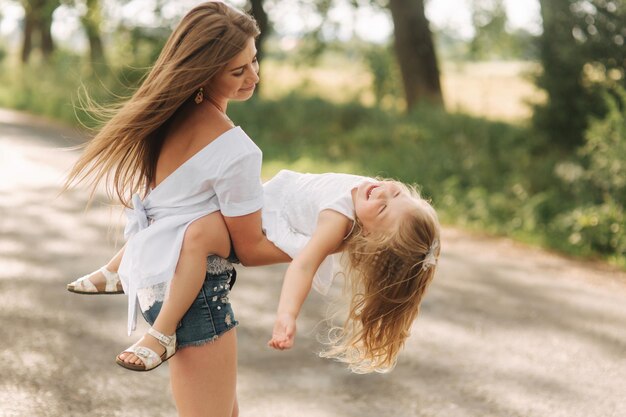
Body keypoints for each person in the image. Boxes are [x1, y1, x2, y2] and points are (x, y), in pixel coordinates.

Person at [64, 2, 289, 416]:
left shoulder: (168, 116)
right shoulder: (237, 150)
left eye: (254, 60)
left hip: (157, 283)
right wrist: (323, 244)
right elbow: (251, 248)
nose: (253, 76)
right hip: (194, 298)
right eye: (238, 71)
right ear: (204, 74)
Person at [71, 169, 441, 375]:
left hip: (263, 222)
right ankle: (117, 270)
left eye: (383, 207)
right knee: (176, 210)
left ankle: (163, 333)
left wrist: (286, 314)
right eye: (396, 192)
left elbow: (305, 264)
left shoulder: (339, 217)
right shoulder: (366, 194)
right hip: (263, 199)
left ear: (372, 238)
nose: (381, 193)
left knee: (192, 232)